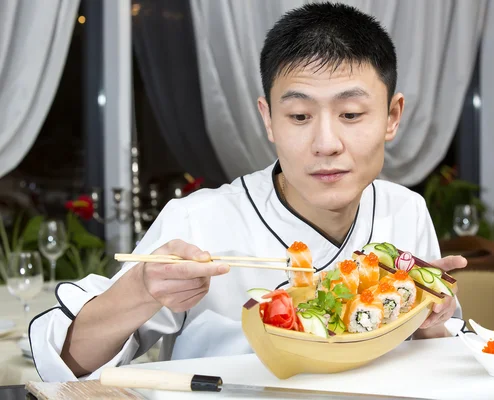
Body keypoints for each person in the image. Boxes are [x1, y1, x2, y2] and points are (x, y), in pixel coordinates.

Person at [30, 2, 466, 382]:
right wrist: (143, 290)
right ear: (268, 119)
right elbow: (67, 362)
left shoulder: (405, 209)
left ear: (392, 116)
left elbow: (438, 355)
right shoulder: (198, 221)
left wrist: (430, 324)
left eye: (351, 113)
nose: (327, 142)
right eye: (298, 116)